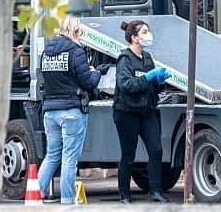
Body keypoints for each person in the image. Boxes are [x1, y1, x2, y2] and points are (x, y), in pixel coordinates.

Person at [37, 16, 102, 204]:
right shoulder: (76, 52)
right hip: (71, 110)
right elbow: (88, 82)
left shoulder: (47, 53)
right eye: (79, 31)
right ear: (74, 31)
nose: (80, 35)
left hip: (50, 111)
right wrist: (96, 72)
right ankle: (67, 200)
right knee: (69, 158)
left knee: (52, 155)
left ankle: (35, 193)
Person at [113, 19, 170, 203]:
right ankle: (125, 194)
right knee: (128, 154)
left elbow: (152, 87)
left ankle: (156, 191)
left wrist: (160, 82)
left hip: (146, 111)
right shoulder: (125, 58)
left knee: (156, 150)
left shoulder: (147, 58)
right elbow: (126, 85)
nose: (148, 35)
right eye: (144, 32)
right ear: (134, 38)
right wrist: (147, 77)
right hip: (127, 112)